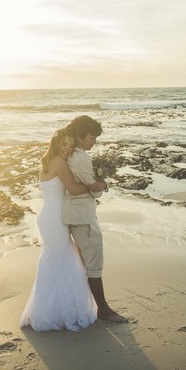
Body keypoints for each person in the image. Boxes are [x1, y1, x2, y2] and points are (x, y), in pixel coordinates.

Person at [20, 128, 107, 332]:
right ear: (55, 144)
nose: (67, 149)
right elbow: (75, 188)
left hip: (53, 217)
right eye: (63, 144)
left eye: (70, 145)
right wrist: (96, 184)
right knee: (58, 264)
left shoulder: (49, 160)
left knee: (58, 263)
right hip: (53, 219)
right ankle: (52, 314)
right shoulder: (58, 162)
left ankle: (54, 311)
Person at [63, 115, 128, 323]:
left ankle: (92, 304)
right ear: (80, 137)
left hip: (78, 212)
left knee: (87, 261)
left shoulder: (73, 153)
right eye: (92, 137)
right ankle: (103, 309)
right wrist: (102, 185)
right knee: (94, 262)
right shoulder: (79, 157)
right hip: (82, 216)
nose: (95, 142)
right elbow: (94, 188)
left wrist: (98, 184)